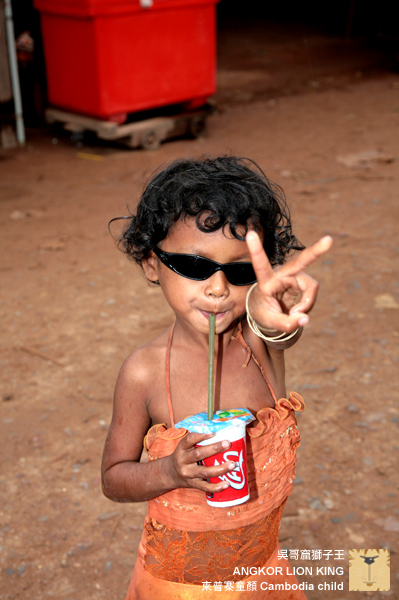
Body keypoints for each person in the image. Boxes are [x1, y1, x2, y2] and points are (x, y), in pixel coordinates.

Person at [101, 156, 333, 599]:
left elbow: (276, 332)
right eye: (194, 266)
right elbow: (114, 478)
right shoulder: (144, 372)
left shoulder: (261, 345)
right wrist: (170, 470)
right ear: (152, 264)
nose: (218, 287)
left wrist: (273, 318)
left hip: (262, 577)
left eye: (240, 270)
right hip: (178, 586)